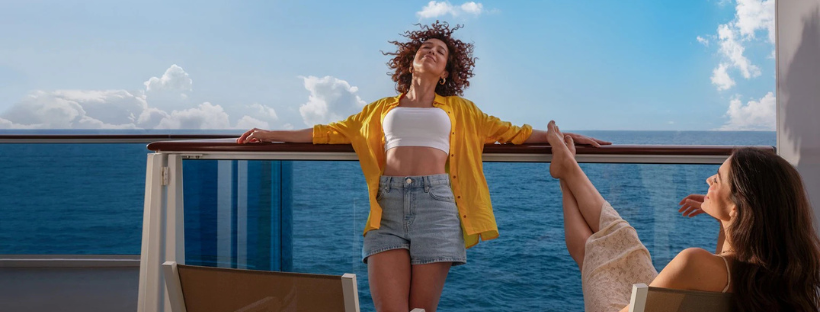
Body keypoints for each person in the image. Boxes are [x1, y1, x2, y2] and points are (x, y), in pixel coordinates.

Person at [237, 22, 609, 312]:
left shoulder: (462, 111)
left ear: (446, 71)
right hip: (387, 208)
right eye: (425, 48)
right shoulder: (379, 110)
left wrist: (561, 137)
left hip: (438, 205)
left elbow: (515, 133)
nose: (431, 52)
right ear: (411, 61)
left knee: (420, 309)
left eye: (440, 51)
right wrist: (271, 133)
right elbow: (327, 132)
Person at [545, 120, 820, 312]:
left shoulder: (695, 263)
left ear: (738, 208)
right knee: (623, 239)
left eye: (718, 180)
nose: (708, 179)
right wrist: (724, 221)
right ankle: (568, 169)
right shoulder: (777, 273)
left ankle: (566, 171)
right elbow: (722, 272)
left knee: (595, 253)